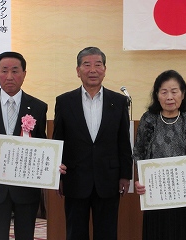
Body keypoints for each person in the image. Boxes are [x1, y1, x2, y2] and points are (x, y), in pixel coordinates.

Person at [0, 51, 66, 240]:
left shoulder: (38, 107)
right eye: (4, 71)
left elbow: (42, 144)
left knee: (26, 235)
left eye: (15, 71)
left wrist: (52, 165)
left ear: (24, 73)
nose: (9, 77)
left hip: (26, 186)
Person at [52, 46, 133, 240]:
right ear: (78, 71)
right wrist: (58, 178)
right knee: (75, 232)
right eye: (86, 65)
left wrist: (125, 175)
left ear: (105, 69)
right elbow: (59, 141)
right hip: (75, 178)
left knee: (107, 233)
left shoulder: (119, 102)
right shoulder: (64, 102)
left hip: (109, 179)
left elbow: (123, 141)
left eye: (98, 64)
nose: (93, 70)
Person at [133, 69, 186, 240]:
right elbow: (138, 152)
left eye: (174, 91)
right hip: (156, 194)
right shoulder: (149, 119)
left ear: (183, 94)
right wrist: (140, 180)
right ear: (156, 95)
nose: (169, 97)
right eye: (164, 92)